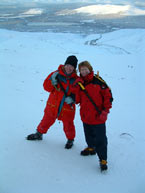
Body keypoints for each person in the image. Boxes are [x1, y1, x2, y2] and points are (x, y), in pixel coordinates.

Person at [27, 55, 78, 149]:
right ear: (64, 64)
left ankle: (70, 139)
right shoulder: (56, 74)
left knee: (69, 125)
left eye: (72, 66)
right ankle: (39, 133)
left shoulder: (76, 80)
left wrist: (73, 99)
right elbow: (46, 87)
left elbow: (80, 95)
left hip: (67, 108)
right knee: (46, 120)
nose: (69, 68)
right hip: (53, 105)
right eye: (68, 65)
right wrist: (52, 81)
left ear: (74, 68)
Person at [72, 61, 113, 171]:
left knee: (101, 139)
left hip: (98, 117)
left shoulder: (99, 82)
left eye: (86, 69)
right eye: (82, 70)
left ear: (90, 69)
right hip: (86, 116)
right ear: (79, 71)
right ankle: (91, 148)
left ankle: (103, 159)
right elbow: (77, 100)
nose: (84, 71)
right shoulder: (80, 83)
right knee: (88, 134)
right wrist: (76, 87)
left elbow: (108, 97)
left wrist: (105, 112)